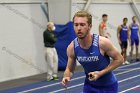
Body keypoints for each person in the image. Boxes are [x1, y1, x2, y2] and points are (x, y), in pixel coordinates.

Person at [61, 11, 123, 93]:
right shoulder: (72, 47)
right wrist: (66, 76)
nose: (79, 28)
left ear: (89, 26)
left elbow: (120, 59)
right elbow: (69, 68)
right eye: (76, 25)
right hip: (89, 87)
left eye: (82, 25)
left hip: (109, 87)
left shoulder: (102, 43)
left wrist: (100, 73)